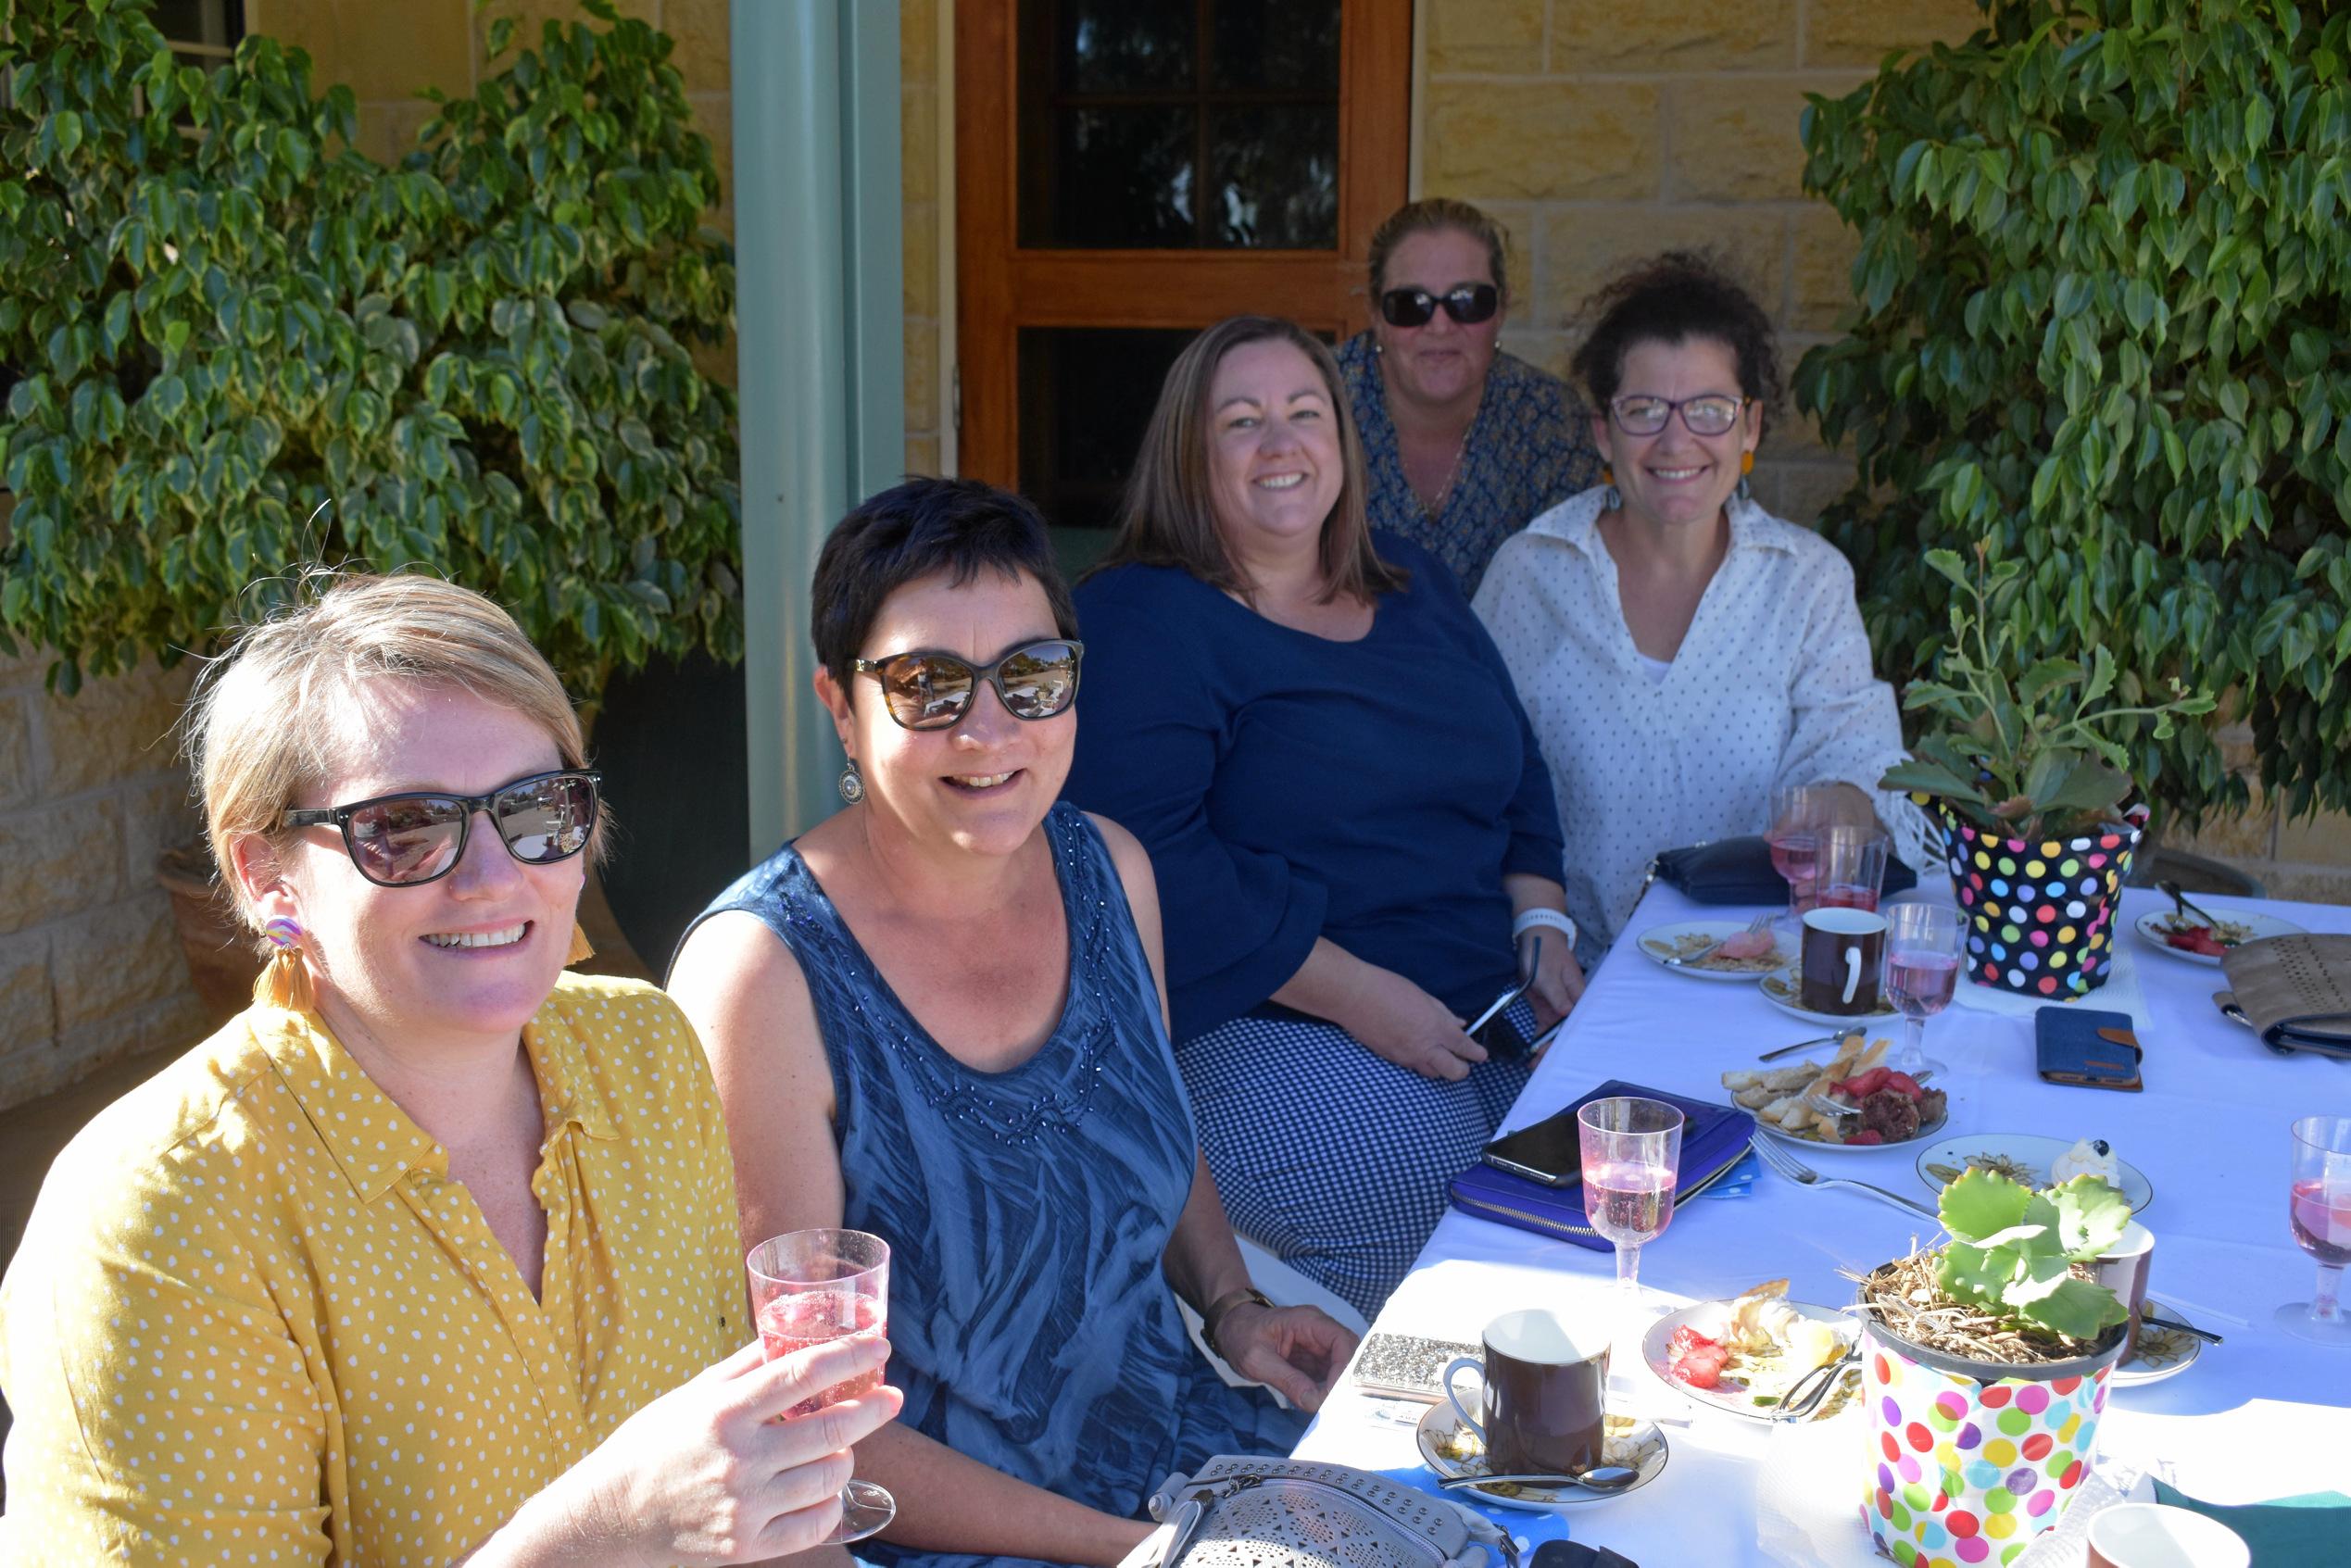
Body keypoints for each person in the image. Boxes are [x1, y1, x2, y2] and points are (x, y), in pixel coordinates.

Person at [0, 573, 898, 1567]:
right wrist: (603, 1532)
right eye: (404, 828)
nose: (493, 875)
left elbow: (765, 1511)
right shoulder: (163, 1216)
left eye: (537, 807)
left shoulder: (647, 1052)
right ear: (266, 878)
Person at [667, 478, 1355, 1568]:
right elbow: (810, 1423)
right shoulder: (763, 972)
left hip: (1182, 1468)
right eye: (927, 684)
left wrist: (1232, 1304)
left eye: (1030, 676)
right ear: (839, 706)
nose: (989, 728)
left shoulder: (1110, 871)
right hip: (950, 1540)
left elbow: (1153, 1125)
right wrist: (1139, 1550)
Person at [1062, 316, 1585, 1320]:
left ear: (1343, 441)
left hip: (1485, 1005)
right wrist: (1352, 994)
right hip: (1268, 1020)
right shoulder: (1144, 618)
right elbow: (1148, 861)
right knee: (1470, 1276)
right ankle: (1421, 1473)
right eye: (1241, 422)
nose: (1280, 444)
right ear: (1189, 454)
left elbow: (1514, 758)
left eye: (1305, 414)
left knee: (1623, 1195)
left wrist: (1543, 917)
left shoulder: (1411, 580)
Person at [1473, 252, 1931, 956]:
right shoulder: (1531, 573)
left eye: (1710, 410)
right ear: (1602, 429)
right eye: (1644, 409)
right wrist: (1535, 933)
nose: (1677, 440)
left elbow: (1857, 753)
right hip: (1566, 982)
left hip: (1754, 977)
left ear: (1750, 426)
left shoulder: (1806, 579)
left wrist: (1846, 804)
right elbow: (1473, 781)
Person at [1338, 197, 1603, 597]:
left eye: (1467, 301)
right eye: (1411, 305)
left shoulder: (1550, 420)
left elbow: (1569, 593)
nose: (1440, 326)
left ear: (1501, 309)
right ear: (1375, 313)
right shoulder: (1318, 405)